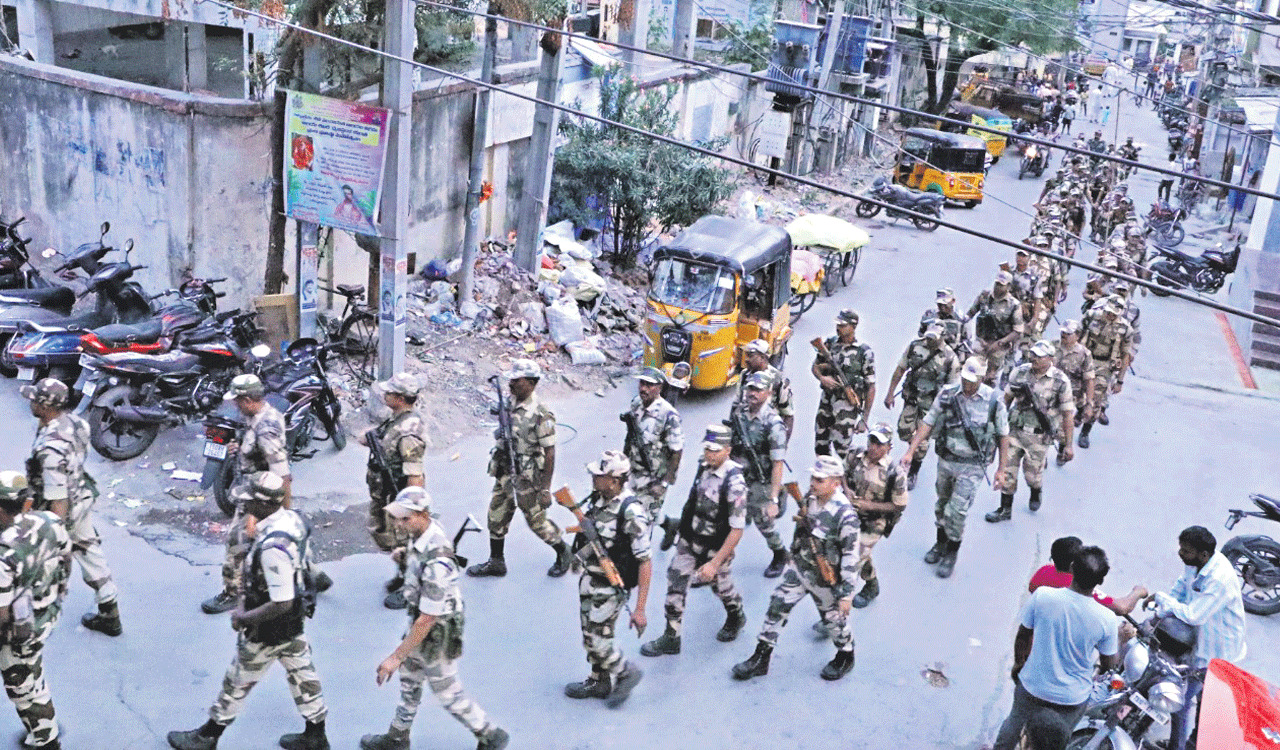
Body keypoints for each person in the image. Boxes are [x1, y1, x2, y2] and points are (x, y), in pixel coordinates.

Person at [168, 472, 329, 750]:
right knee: (302, 672)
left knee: (238, 680)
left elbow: (281, 602)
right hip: (292, 622)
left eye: (250, 500)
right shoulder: (292, 520)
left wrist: (243, 617)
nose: (244, 504)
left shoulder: (272, 549)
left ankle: (208, 735)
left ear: (265, 504)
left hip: (269, 625)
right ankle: (316, 733)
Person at [359, 488, 509, 750]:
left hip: (436, 633)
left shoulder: (439, 563)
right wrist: (406, 557)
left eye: (405, 519)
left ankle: (490, 735)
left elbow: (427, 619)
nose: (398, 524)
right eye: (398, 518)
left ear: (423, 515)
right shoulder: (424, 533)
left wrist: (396, 655)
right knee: (410, 680)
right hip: (421, 624)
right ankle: (397, 736)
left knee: (447, 691)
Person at [731, 455, 859, 683]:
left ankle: (845, 655)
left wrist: (847, 594)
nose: (813, 482)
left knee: (834, 622)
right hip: (800, 569)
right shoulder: (810, 498)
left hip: (826, 579)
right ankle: (761, 657)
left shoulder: (845, 515)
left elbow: (851, 556)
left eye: (820, 479)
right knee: (777, 606)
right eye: (813, 477)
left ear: (836, 483)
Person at [991, 545, 1119, 750]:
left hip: (1034, 685)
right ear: (1100, 580)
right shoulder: (1107, 619)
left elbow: (1023, 636)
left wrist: (1019, 664)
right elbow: (1109, 664)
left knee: (1014, 723)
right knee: (1056, 740)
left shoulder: (1043, 596)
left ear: (1072, 568)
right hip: (1072, 698)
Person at [22, 378, 121, 636]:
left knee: (45, 560)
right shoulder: (77, 422)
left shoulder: (50, 448)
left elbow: (57, 494)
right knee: (90, 551)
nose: (30, 402)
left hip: (61, 508)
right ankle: (110, 610)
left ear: (45, 406)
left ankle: (39, 615)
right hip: (82, 497)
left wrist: (54, 531)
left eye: (34, 400)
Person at [640, 425, 748, 658]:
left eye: (715, 450)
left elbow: (736, 530)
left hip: (716, 548)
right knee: (675, 583)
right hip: (691, 541)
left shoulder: (734, 482)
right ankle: (671, 637)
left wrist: (714, 563)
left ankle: (736, 614)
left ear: (728, 450)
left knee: (722, 587)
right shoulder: (704, 467)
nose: (710, 454)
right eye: (707, 448)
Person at [902, 356, 1010, 578]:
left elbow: (1003, 435)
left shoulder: (993, 401)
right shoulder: (948, 393)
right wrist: (911, 451)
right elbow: (928, 422)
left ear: (982, 377)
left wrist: (1002, 469)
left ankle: (952, 551)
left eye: (972, 380)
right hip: (947, 459)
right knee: (942, 505)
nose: (967, 383)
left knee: (957, 511)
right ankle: (940, 543)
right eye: (964, 378)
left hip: (972, 465)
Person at [468, 360, 574, 579]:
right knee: (496, 516)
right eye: (512, 379)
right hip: (505, 471)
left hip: (528, 478)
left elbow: (550, 453)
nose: (512, 383)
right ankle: (496, 562)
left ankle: (563, 551)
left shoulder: (541, 414)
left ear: (532, 383)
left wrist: (545, 489)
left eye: (517, 380)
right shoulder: (510, 401)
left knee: (536, 522)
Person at [563, 451, 650, 708]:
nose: (593, 477)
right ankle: (598, 680)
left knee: (599, 641)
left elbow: (645, 561)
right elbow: (595, 539)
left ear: (613, 480)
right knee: (588, 635)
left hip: (611, 588)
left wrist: (640, 609)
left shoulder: (631, 512)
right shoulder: (599, 501)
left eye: (599, 475)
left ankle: (625, 672)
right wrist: (577, 557)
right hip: (591, 580)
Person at [1151, 526, 1247, 750]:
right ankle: (1188, 744)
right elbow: (1180, 589)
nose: (1180, 554)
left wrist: (1163, 600)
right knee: (1199, 701)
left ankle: (1179, 746)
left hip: (1217, 651)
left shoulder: (1219, 579)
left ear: (1203, 554)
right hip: (1201, 642)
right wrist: (1162, 608)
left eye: (1186, 551)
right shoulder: (1197, 564)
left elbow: (1194, 615)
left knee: (1181, 701)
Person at [203, 374, 292, 616]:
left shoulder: (266, 428)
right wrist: (239, 448)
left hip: (261, 498)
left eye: (238, 401)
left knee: (236, 543)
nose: (235, 406)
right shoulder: (255, 416)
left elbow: (283, 475)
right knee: (281, 540)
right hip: (251, 490)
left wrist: (283, 512)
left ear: (248, 399)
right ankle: (314, 575)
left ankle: (232, 593)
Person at [0, 471, 71, 750]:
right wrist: (56, 599)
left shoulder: (5, 555)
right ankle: (43, 731)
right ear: (26, 503)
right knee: (33, 677)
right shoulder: (49, 521)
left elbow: (1, 613)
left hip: (21, 631)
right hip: (46, 613)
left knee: (23, 687)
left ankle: (45, 739)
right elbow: (67, 559)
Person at [984, 340, 1074, 523]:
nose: (1034, 359)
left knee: (1032, 475)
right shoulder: (1021, 372)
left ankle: (1036, 490)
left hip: (1039, 437)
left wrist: (1069, 445)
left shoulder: (1060, 381)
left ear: (1050, 359)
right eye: (1033, 354)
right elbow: (1006, 400)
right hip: (1015, 431)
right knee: (1007, 471)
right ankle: (1005, 509)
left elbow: (1067, 414)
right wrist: (995, 427)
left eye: (1039, 356)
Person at [362, 373, 427, 609]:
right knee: (382, 532)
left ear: (400, 398)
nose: (384, 395)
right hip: (384, 492)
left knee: (405, 541)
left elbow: (415, 474)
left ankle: (411, 587)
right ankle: (403, 573)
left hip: (399, 493)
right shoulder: (396, 420)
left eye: (389, 392)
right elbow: (377, 438)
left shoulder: (409, 432)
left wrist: (411, 509)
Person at [728, 372, 789, 578]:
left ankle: (780, 553)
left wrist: (772, 498)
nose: (752, 393)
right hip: (737, 474)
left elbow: (777, 464)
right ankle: (719, 561)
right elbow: (730, 441)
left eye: (757, 390)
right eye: (749, 389)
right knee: (723, 515)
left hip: (760, 479)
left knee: (763, 521)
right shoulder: (738, 412)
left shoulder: (773, 424)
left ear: (769, 393)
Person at [884, 323, 959, 489]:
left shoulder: (950, 358)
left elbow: (953, 388)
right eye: (928, 336)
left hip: (932, 405)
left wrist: (948, 411)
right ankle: (913, 445)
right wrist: (890, 393)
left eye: (934, 338)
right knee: (903, 430)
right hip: (912, 397)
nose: (930, 340)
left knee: (922, 440)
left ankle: (913, 469)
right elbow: (900, 370)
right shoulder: (915, 346)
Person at [842, 424, 908, 608]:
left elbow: (899, 504)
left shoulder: (895, 472)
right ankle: (872, 584)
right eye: (872, 441)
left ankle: (833, 614)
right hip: (849, 513)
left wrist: (868, 505)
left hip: (874, 521)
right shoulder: (855, 455)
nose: (874, 448)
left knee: (850, 561)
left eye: (880, 444)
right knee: (852, 552)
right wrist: (846, 490)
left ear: (889, 447)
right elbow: (842, 474)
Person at [620, 367, 684, 527]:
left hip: (653, 478)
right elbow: (631, 436)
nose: (643, 388)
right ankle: (669, 524)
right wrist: (623, 463)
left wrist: (663, 484)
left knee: (642, 525)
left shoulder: (668, 415)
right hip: (632, 471)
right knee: (625, 511)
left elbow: (676, 451)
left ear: (660, 388)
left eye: (650, 385)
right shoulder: (636, 403)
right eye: (642, 383)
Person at [811, 309, 875, 458]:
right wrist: (822, 378)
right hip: (826, 403)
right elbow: (815, 367)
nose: (838, 328)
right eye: (837, 324)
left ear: (853, 327)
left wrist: (864, 419)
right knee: (821, 446)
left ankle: (847, 479)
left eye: (843, 325)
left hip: (847, 407)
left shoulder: (863, 352)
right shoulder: (830, 344)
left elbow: (871, 386)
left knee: (843, 451)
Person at [1029, 536, 1147, 615]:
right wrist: (1138, 592)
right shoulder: (1077, 585)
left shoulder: (1044, 570)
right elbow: (1122, 607)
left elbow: (1031, 587)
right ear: (1074, 565)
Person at [1077, 298, 1132, 447]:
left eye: (1114, 314)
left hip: (1104, 365)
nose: (1110, 316)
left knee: (1096, 399)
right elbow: (1077, 336)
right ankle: (1078, 412)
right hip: (1084, 359)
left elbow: (1125, 355)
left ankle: (1085, 431)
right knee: (1074, 391)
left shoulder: (1125, 329)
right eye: (1108, 312)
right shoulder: (1091, 316)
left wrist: (1120, 380)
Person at [966, 271, 1024, 385]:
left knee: (990, 377)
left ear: (1008, 287)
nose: (998, 287)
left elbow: (1018, 330)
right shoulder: (984, 296)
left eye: (1001, 285)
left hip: (999, 346)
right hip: (981, 341)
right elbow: (970, 314)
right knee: (972, 371)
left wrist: (1000, 343)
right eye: (997, 283)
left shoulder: (1014, 304)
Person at [736, 339, 795, 442]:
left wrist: (781, 444)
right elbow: (738, 404)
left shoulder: (777, 380)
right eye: (746, 355)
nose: (746, 359)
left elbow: (788, 415)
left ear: (762, 357)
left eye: (750, 356)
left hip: (766, 440)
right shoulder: (744, 375)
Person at [1051, 320, 1095, 463]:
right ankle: (1040, 456)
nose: (1063, 335)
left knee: (1064, 426)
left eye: (1068, 333)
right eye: (1062, 332)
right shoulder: (1051, 347)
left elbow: (1089, 380)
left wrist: (1089, 403)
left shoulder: (1084, 354)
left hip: (1070, 396)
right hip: (1049, 392)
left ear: (1077, 335)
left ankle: (1063, 448)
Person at [920, 288, 967, 355]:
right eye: (939, 304)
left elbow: (966, 339)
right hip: (931, 353)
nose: (942, 307)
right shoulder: (929, 316)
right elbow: (921, 334)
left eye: (945, 304)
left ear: (953, 301)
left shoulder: (961, 318)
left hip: (953, 354)